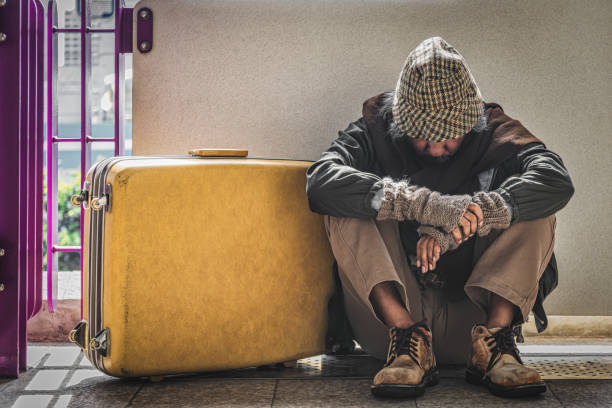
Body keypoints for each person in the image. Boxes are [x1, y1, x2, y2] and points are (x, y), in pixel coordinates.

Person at [305, 36, 574, 399]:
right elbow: (321, 181)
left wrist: (479, 213)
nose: (434, 147)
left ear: (471, 122)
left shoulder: (496, 129)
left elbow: (556, 180)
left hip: (474, 318)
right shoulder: (373, 128)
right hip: (389, 325)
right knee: (347, 204)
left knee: (534, 206)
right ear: (401, 122)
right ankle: (407, 342)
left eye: (448, 137)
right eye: (421, 137)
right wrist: (419, 204)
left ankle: (496, 347)